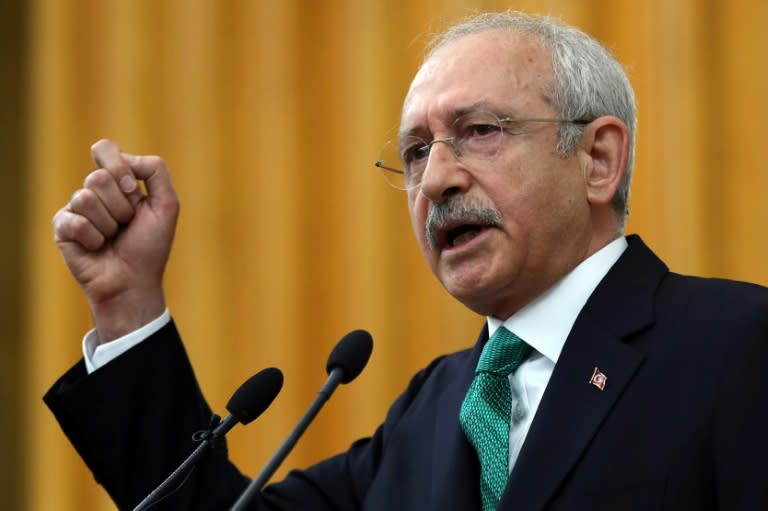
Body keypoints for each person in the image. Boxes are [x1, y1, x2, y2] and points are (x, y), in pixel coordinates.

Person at [45, 10, 768, 511]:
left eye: (480, 130)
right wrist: (128, 302)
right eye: (417, 152)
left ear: (598, 159)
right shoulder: (434, 409)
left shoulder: (736, 346)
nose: (438, 179)